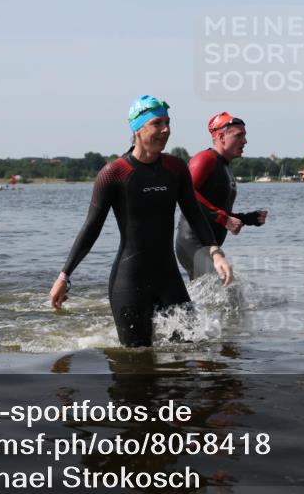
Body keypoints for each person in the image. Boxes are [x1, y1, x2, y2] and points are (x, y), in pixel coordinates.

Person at [49, 95, 234, 347]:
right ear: (138, 128)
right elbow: (91, 228)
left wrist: (215, 252)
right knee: (135, 364)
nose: (166, 129)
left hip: (169, 279)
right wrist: (64, 276)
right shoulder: (114, 174)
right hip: (129, 282)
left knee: (189, 350)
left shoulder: (176, 168)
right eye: (158, 123)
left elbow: (194, 214)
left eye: (168, 122)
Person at [175, 112, 268, 280]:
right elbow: (185, 194)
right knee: (226, 289)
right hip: (193, 242)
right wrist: (224, 218)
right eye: (239, 135)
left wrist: (247, 219)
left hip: (209, 246)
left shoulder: (224, 166)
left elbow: (214, 210)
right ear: (221, 136)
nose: (245, 141)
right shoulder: (205, 159)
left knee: (214, 296)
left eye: (245, 136)